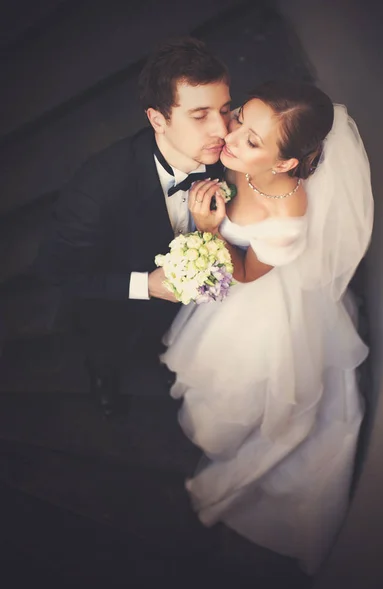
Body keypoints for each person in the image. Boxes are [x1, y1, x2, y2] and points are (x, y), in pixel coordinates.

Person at [161, 80, 374, 574]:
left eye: (251, 141)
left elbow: (247, 273)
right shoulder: (242, 162)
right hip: (239, 284)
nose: (230, 139)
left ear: (283, 165)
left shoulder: (286, 215)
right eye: (240, 122)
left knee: (240, 386)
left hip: (255, 302)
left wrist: (209, 231)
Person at [34, 37, 231, 416]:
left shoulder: (229, 158)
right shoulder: (99, 186)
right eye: (200, 114)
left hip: (190, 311)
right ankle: (103, 379)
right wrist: (146, 285)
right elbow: (54, 271)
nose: (222, 129)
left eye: (225, 109)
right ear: (157, 118)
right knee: (108, 351)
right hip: (114, 310)